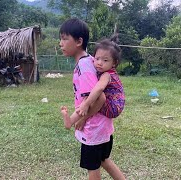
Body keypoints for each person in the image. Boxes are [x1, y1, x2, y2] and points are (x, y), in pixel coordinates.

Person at [59, 18, 125, 180]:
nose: (61, 43)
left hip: (94, 128)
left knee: (92, 168)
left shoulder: (85, 66)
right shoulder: (90, 61)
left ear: (79, 41)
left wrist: (83, 117)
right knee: (104, 160)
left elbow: (100, 97)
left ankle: (72, 120)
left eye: (65, 38)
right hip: (103, 128)